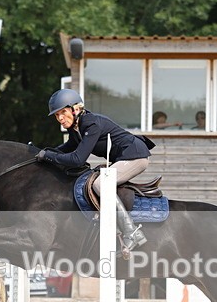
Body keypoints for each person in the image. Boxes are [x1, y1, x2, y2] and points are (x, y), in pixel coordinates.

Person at [36, 88, 154, 252]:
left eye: (63, 112)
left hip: (135, 156)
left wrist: (48, 156)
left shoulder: (91, 123)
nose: (60, 118)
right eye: (56, 115)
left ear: (75, 109)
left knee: (100, 184)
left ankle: (131, 232)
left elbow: (77, 159)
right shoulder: (76, 128)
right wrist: (41, 152)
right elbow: (65, 149)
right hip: (123, 158)